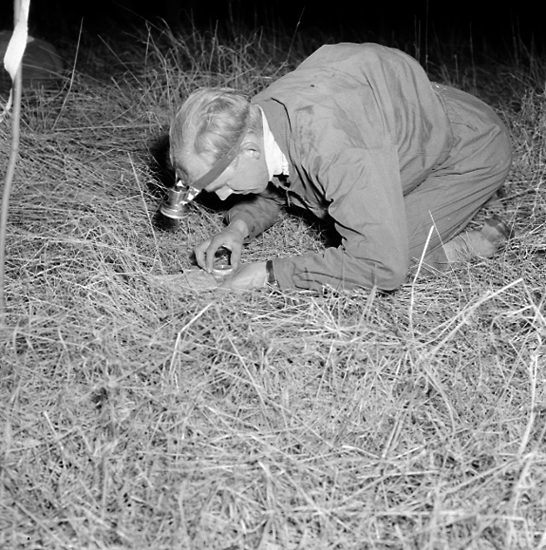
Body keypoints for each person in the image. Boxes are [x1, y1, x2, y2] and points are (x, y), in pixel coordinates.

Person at [169, 43, 512, 292]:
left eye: (224, 184)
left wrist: (266, 274)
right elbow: (276, 181)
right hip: (406, 133)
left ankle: (474, 238)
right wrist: (238, 229)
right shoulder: (255, 119)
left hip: (469, 150)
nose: (223, 197)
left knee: (393, 255)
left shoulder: (333, 146)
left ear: (248, 150)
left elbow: (381, 266)